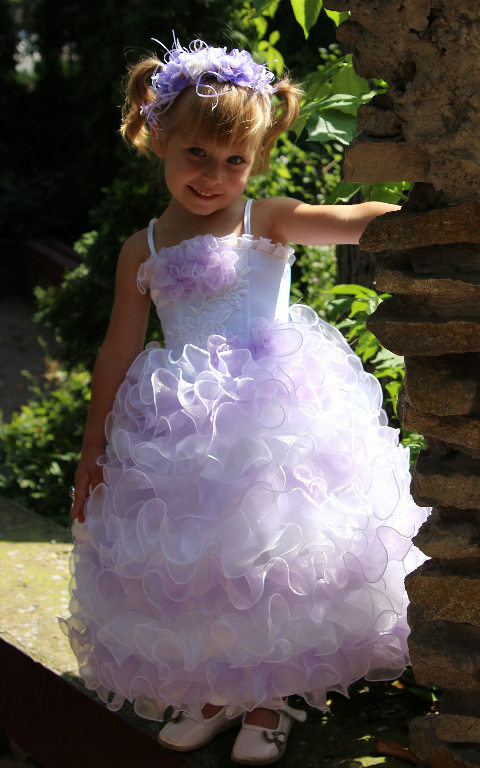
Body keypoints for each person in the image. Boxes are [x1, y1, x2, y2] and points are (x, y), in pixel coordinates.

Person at [64, 37, 428, 766]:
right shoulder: (142, 248)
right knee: (201, 562)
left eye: (235, 159)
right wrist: (93, 447)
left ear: (256, 159)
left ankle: (270, 698)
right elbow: (116, 351)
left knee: (275, 557)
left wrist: (424, 213)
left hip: (276, 420)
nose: (214, 175)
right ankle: (214, 690)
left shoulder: (266, 220)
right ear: (158, 138)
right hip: (181, 430)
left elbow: (348, 221)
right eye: (197, 153)